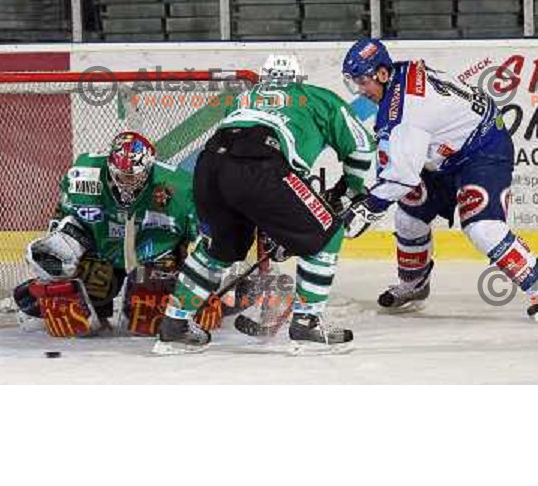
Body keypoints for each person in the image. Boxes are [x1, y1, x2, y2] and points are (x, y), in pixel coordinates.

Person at [341, 38, 538, 324]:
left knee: (483, 229)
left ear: (381, 74)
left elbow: (401, 176)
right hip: (446, 154)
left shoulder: (404, 112)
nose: (360, 91)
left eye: (362, 82)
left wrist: (369, 205)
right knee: (408, 218)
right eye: (354, 84)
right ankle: (414, 286)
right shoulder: (400, 73)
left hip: (483, 151)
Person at [153, 54, 376, 354]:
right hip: (260, 163)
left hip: (209, 165)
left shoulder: (246, 97)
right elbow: (361, 146)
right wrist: (351, 189)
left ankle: (175, 325)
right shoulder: (313, 96)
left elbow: (245, 181)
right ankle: (307, 323)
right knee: (327, 233)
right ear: (297, 79)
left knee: (218, 250)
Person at [14, 131, 200, 337]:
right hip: (100, 250)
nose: (127, 182)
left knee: (148, 322)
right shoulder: (83, 175)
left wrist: (193, 276)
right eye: (121, 175)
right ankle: (47, 301)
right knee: (52, 257)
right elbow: (63, 218)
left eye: (134, 176)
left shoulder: (180, 188)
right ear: (110, 166)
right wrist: (53, 270)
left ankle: (187, 310)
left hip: (155, 254)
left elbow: (201, 239)